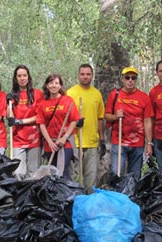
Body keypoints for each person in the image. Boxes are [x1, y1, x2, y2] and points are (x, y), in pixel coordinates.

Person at [104, 66, 153, 179]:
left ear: (136, 80)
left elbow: (147, 121)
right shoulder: (115, 95)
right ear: (122, 79)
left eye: (133, 78)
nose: (130, 80)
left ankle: (132, 196)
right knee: (117, 175)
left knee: (134, 177)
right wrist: (116, 116)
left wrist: (149, 143)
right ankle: (116, 196)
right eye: (127, 77)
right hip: (119, 142)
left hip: (138, 144)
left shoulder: (144, 97)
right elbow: (106, 116)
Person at [67, 64, 105, 193]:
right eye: (82, 74)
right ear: (78, 75)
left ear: (92, 76)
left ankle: (89, 207)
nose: (85, 77)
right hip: (75, 142)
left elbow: (100, 118)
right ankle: (73, 206)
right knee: (72, 179)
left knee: (90, 182)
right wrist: (75, 122)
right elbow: (65, 117)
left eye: (88, 74)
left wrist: (102, 139)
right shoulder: (71, 93)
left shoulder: (97, 94)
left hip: (92, 142)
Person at [37, 74, 80, 180]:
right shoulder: (43, 104)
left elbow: (74, 121)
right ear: (47, 86)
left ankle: (68, 194)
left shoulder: (68, 101)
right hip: (50, 144)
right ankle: (58, 195)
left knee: (62, 172)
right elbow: (41, 124)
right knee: (53, 172)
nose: (53, 86)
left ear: (60, 86)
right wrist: (49, 142)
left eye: (56, 83)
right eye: (51, 83)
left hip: (65, 143)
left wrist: (64, 138)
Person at [7, 65, 43, 179]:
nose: (22, 78)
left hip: (34, 138)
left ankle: (31, 196)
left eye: (24, 75)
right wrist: (8, 102)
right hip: (17, 138)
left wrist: (21, 121)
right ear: (15, 78)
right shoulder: (12, 95)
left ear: (28, 77)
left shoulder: (37, 94)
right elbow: (9, 117)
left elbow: (39, 116)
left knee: (33, 173)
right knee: (18, 173)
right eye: (19, 76)